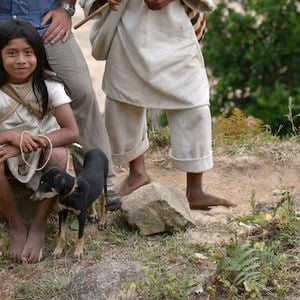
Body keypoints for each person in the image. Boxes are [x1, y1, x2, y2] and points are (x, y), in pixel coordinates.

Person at [83, 0, 235, 209]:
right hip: (127, 29)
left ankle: (195, 190)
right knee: (124, 103)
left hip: (176, 29)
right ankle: (137, 174)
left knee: (194, 105)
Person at [0, 0, 120, 209]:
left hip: (46, 23)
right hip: (2, 30)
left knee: (80, 91)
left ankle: (99, 184)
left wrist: (66, 8)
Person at [0, 19, 79, 263]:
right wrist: (11, 138)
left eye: (28, 52)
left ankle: (38, 223)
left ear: (38, 54)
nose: (21, 60)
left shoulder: (49, 86)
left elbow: (71, 132)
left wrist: (30, 143)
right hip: (6, 152)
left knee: (60, 155)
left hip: (43, 150)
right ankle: (16, 222)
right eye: (11, 53)